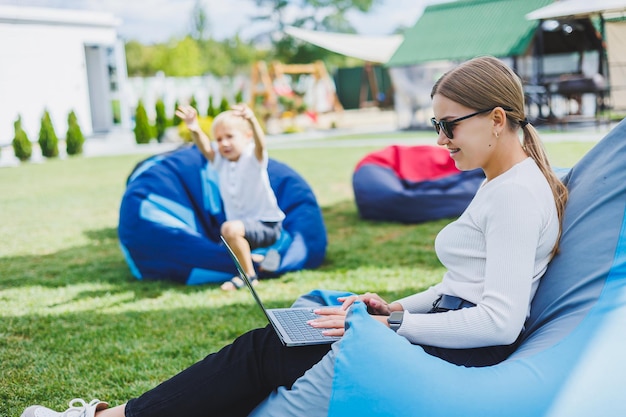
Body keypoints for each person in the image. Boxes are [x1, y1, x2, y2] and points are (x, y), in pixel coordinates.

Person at [21, 56, 568, 417]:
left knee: (265, 351)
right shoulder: (502, 183)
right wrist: (389, 305)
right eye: (436, 126)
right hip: (445, 330)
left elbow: (499, 318)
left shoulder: (516, 194)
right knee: (282, 338)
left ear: (497, 119)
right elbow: (463, 284)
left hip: (465, 353)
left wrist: (392, 325)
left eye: (450, 125)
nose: (442, 139)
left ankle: (107, 416)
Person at [175, 103, 285, 291]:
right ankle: (261, 260)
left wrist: (251, 119)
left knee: (228, 229)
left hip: (267, 224)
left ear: (247, 137)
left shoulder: (253, 157)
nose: (224, 143)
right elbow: (204, 148)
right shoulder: (221, 162)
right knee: (226, 238)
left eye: (230, 137)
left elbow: (261, 143)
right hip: (245, 229)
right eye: (219, 139)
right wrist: (194, 128)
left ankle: (249, 277)